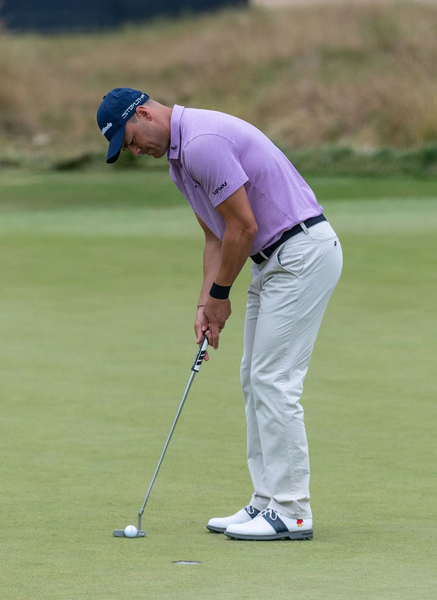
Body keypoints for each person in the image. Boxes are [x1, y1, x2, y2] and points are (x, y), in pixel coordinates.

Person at [97, 88, 342, 541]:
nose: (135, 152)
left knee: (274, 379)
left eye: (131, 140)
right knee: (254, 378)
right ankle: (266, 500)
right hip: (273, 261)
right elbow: (216, 236)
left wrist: (221, 294)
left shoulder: (201, 143)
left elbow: (243, 226)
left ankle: (293, 511)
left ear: (145, 114)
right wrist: (205, 302)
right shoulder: (179, 162)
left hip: (300, 252)